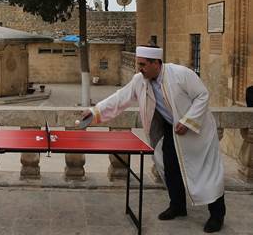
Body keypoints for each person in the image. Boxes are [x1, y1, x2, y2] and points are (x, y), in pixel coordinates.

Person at [80, 45, 225, 233]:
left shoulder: (181, 74)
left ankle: (217, 215)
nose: (139, 68)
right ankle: (178, 206)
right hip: (170, 131)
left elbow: (202, 95)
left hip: (197, 132)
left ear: (156, 63)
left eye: (142, 64)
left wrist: (189, 121)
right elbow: (119, 98)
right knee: (170, 167)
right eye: (138, 64)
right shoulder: (140, 80)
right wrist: (95, 111)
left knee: (207, 173)